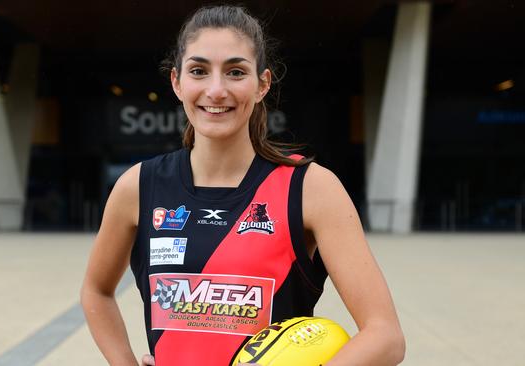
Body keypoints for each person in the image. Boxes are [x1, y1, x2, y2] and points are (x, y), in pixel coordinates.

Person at [81, 5, 405, 366]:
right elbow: (96, 291)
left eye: (235, 72)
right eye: (199, 71)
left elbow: (385, 336)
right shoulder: (139, 186)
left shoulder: (310, 188)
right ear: (177, 82)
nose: (216, 90)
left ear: (262, 84)